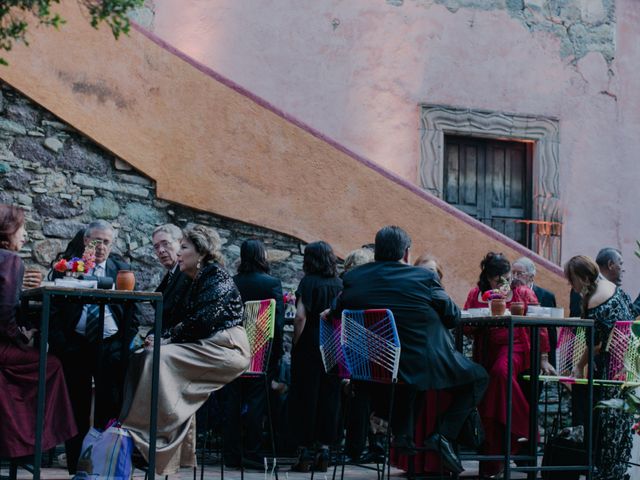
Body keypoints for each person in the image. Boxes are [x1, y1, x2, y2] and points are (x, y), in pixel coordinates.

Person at [333, 226, 488, 475]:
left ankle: (404, 434)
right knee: (479, 376)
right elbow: (452, 316)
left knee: (410, 370)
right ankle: (443, 434)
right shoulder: (422, 278)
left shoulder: (354, 278)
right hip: (419, 365)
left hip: (374, 368)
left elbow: (337, 310)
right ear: (406, 253)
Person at [121, 225, 251, 475]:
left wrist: (168, 339)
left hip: (226, 348)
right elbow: (179, 321)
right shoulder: (193, 279)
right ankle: (152, 444)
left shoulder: (216, 275)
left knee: (159, 359)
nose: (177, 253)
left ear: (200, 253)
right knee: (146, 356)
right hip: (204, 344)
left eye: (183, 247)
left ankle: (145, 438)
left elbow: (204, 320)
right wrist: (161, 337)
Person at [49, 220, 138, 473]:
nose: (100, 247)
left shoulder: (122, 270)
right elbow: (54, 311)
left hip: (110, 345)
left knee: (109, 404)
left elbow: (133, 312)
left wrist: (123, 344)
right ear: (86, 241)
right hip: (75, 344)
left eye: (106, 242)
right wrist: (62, 344)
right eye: (95, 241)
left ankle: (101, 465)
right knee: (75, 405)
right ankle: (78, 466)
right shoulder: (67, 267)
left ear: (112, 245)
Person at [464, 252, 554, 477]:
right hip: (486, 351)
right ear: (488, 277)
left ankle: (524, 428)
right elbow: (465, 325)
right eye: (496, 279)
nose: (502, 283)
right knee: (488, 398)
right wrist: (482, 318)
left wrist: (543, 357)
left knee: (500, 374)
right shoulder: (477, 294)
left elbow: (539, 325)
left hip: (516, 347)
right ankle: (495, 460)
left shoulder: (522, 292)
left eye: (504, 277)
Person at [0, 204, 77, 459]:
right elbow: (5, 314)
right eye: (21, 229)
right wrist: (24, 337)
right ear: (7, 230)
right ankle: (36, 441)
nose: (25, 236)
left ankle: (18, 440)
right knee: (51, 364)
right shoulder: (9, 260)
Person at [564, 255, 635, 479]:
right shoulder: (611, 286)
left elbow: (595, 344)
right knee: (619, 418)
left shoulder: (593, 299)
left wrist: (577, 366)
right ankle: (616, 470)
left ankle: (603, 471)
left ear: (582, 278)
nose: (571, 286)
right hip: (629, 364)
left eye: (571, 280)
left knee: (604, 419)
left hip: (611, 367)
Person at [221, 238, 285, 468]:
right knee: (256, 401)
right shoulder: (271, 283)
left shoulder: (231, 282)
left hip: (233, 352)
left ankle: (231, 453)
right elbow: (276, 326)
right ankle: (253, 451)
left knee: (232, 400)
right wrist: (275, 356)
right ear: (262, 256)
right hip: (258, 354)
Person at [288, 241, 343, 472]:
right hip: (333, 344)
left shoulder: (307, 282)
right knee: (330, 397)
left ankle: (306, 453)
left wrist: (295, 344)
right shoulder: (340, 283)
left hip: (310, 344)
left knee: (306, 397)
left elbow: (300, 317)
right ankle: (325, 450)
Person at [512, 256, 558, 364]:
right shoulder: (509, 294)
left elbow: (550, 331)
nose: (514, 277)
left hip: (538, 349)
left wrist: (549, 358)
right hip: (517, 348)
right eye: (512, 273)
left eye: (519, 274)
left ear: (531, 277)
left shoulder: (546, 296)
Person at [151, 224, 192, 332]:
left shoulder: (188, 274)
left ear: (180, 243)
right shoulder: (171, 275)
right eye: (156, 247)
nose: (161, 250)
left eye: (165, 243)